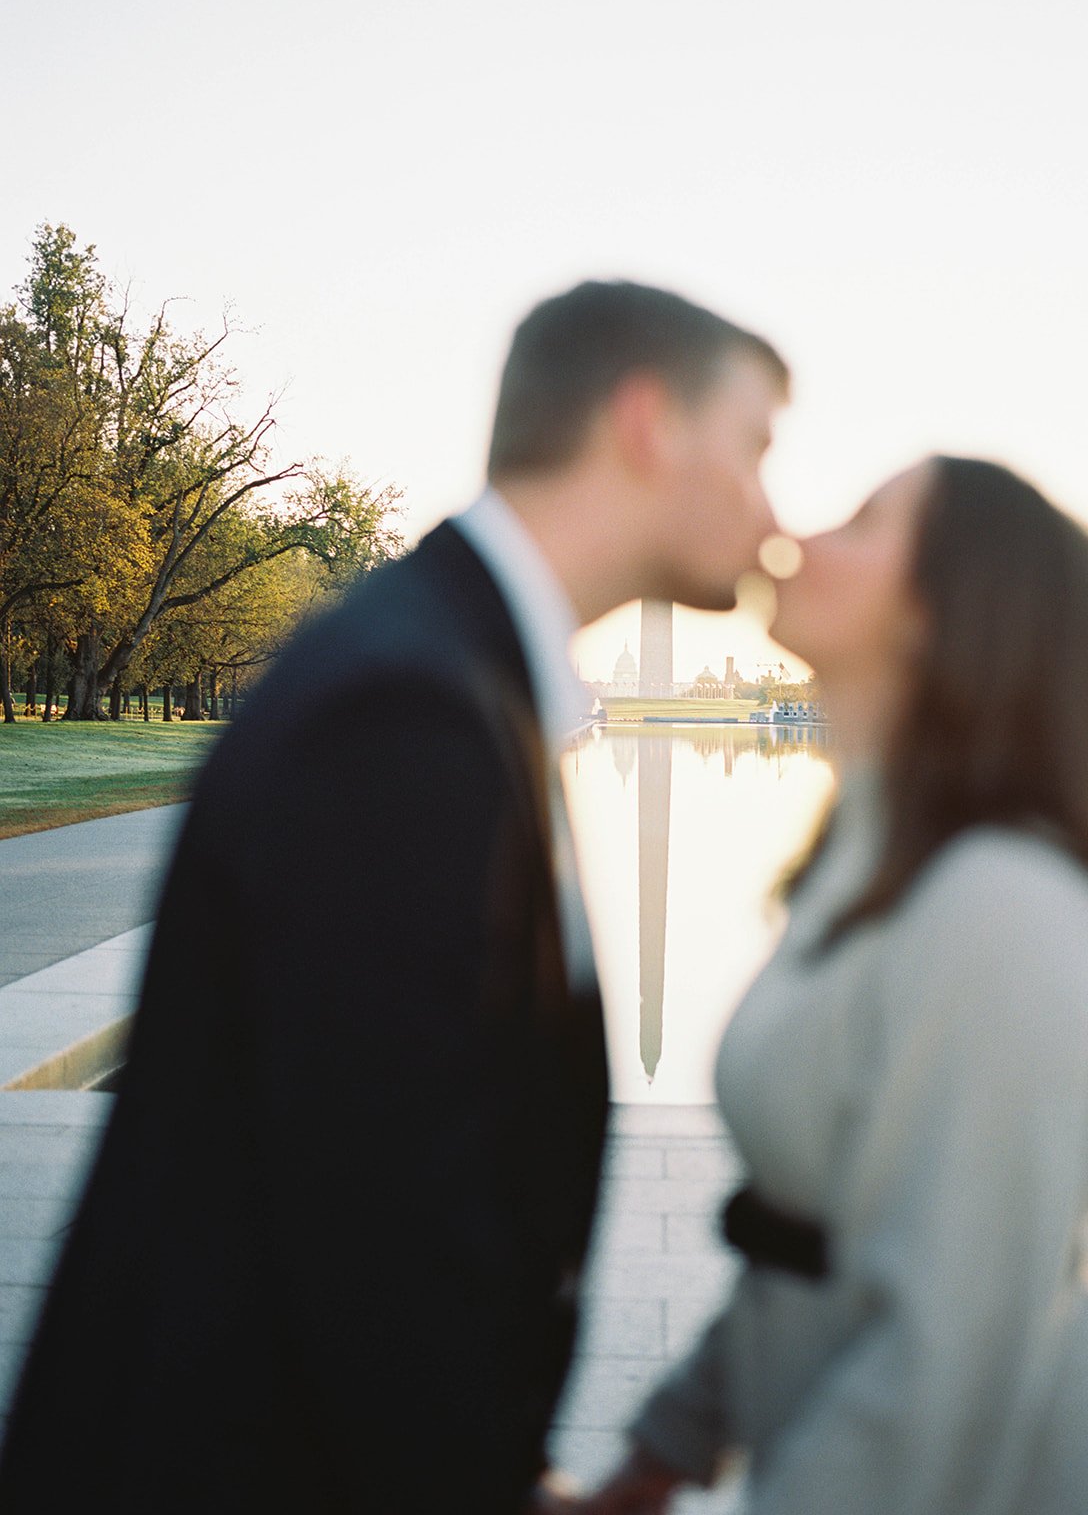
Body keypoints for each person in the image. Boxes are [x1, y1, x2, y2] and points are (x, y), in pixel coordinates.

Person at [0, 282, 789, 1513]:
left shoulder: (444, 670)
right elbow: (377, 1231)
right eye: (754, 449)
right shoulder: (406, 712)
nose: (770, 511)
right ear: (647, 425)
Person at [584, 456, 1088, 1515]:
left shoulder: (1006, 909)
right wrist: (665, 1448)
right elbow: (813, 1225)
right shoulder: (870, 859)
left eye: (862, 521)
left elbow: (940, 1363)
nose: (798, 536)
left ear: (945, 612)